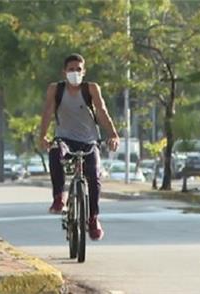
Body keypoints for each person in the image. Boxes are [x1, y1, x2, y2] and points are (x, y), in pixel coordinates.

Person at [38, 53, 119, 241]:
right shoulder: (55, 89)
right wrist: (43, 136)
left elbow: (102, 111)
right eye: (71, 69)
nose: (75, 73)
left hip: (89, 140)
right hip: (65, 139)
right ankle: (59, 197)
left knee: (94, 175)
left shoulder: (91, 89)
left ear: (84, 72)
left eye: (78, 70)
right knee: (55, 152)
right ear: (64, 72)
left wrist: (113, 134)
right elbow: (47, 112)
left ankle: (93, 218)